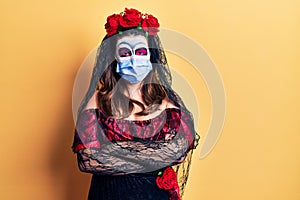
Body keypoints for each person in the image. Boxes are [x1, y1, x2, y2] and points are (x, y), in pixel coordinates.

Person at [71, 8, 200, 200]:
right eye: (125, 52)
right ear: (114, 58)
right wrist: (152, 158)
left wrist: (112, 150)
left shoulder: (166, 101)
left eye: (140, 51)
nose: (133, 59)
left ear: (151, 55)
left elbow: (177, 152)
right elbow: (88, 160)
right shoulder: (98, 100)